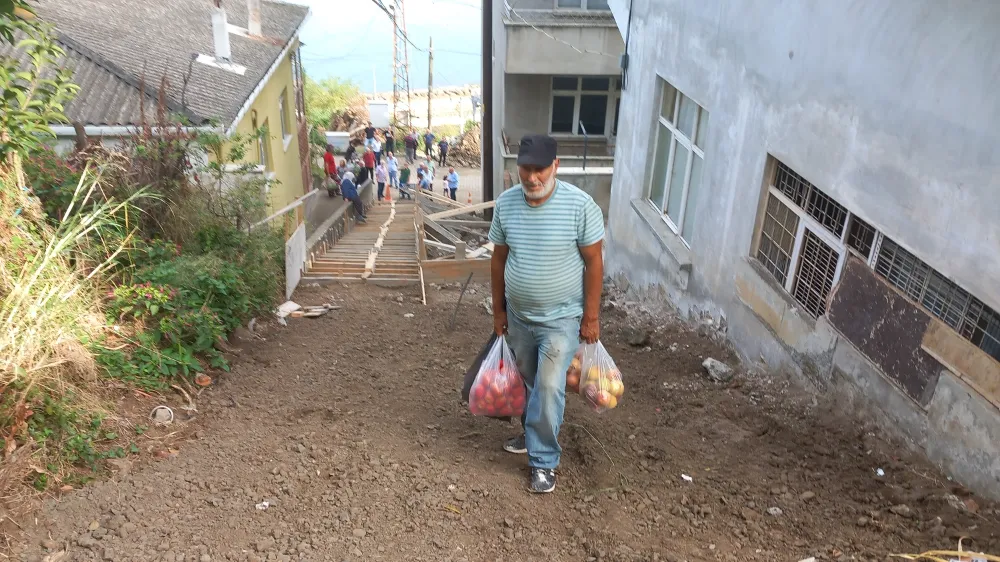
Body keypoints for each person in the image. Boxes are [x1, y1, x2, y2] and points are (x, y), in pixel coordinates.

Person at [489, 134, 604, 494]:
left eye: (540, 169)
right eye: (526, 169)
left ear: (556, 166)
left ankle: (543, 461)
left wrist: (591, 316)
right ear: (517, 166)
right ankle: (531, 433)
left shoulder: (581, 206)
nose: (532, 178)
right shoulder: (506, 205)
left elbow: (594, 261)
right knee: (527, 380)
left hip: (562, 319)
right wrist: (499, 311)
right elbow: (498, 259)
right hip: (520, 317)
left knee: (551, 385)